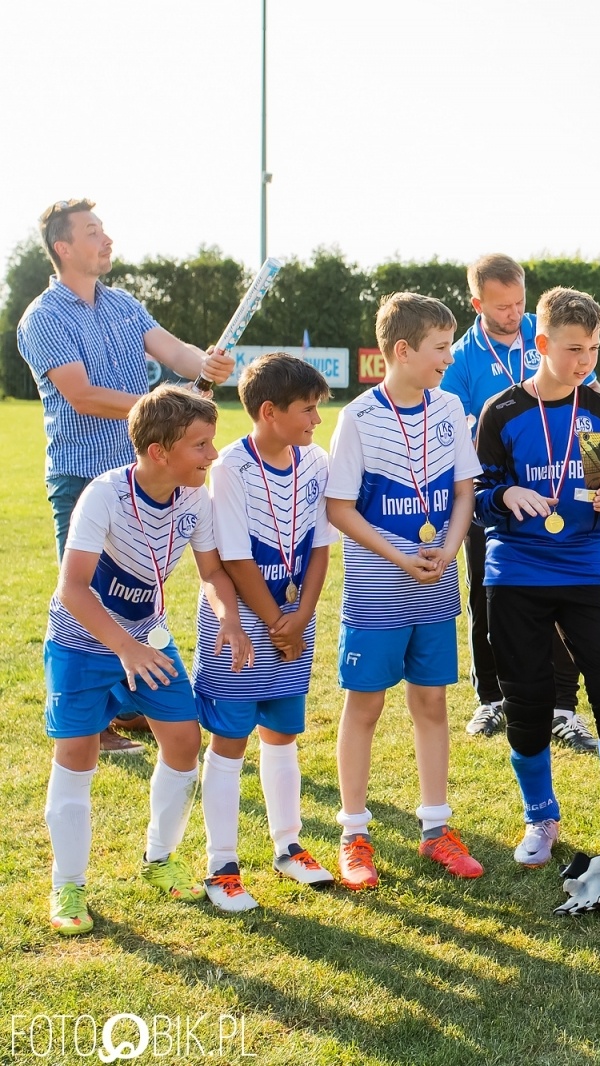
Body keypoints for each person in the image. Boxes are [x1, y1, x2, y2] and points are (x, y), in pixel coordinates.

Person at [18, 198, 236, 756]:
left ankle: (134, 699)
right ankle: (91, 719)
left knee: (141, 591)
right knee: (87, 594)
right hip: (83, 477)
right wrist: (163, 409)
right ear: (63, 248)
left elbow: (175, 352)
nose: (106, 239)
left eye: (105, 230)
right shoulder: (42, 317)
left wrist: (203, 366)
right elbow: (82, 394)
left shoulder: (124, 305)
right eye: (93, 232)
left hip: (149, 476)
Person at [42, 386, 250, 933]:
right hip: (82, 640)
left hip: (148, 636)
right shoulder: (103, 495)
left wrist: (228, 614)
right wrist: (124, 648)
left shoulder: (194, 500)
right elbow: (73, 590)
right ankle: (68, 886)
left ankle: (160, 860)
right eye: (201, 445)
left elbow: (211, 573)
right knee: (77, 755)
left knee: (183, 741)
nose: (212, 455)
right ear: (159, 452)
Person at [475, 287, 600, 875]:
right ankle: (541, 816)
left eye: (595, 349)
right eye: (575, 349)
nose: (586, 361)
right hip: (516, 575)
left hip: (585, 571)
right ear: (543, 343)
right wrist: (506, 494)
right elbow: (479, 498)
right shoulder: (501, 413)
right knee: (526, 699)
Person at [326, 292, 484, 890]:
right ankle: (354, 833)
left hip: (435, 584)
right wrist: (398, 554)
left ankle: (435, 828)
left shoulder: (448, 408)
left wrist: (448, 547)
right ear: (403, 350)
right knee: (364, 705)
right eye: (441, 347)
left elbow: (465, 491)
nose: (449, 356)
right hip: (376, 589)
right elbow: (340, 507)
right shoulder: (359, 416)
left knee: (433, 703)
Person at [194, 353, 339, 912]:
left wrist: (300, 616)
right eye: (308, 410)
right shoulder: (230, 467)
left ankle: (288, 846)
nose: (316, 422)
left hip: (293, 620)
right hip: (242, 627)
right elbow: (232, 559)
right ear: (270, 412)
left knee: (282, 735)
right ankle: (222, 864)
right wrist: (277, 622)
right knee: (229, 740)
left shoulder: (316, 462)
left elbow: (323, 547)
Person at [442, 253, 599, 753]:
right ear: (477, 302)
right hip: (493, 495)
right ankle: (491, 697)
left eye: (519, 303)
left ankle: (563, 707)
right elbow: (456, 427)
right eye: (502, 306)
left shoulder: (548, 332)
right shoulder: (464, 356)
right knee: (488, 595)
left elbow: (589, 399)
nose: (514, 313)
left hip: (561, 490)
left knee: (564, 598)